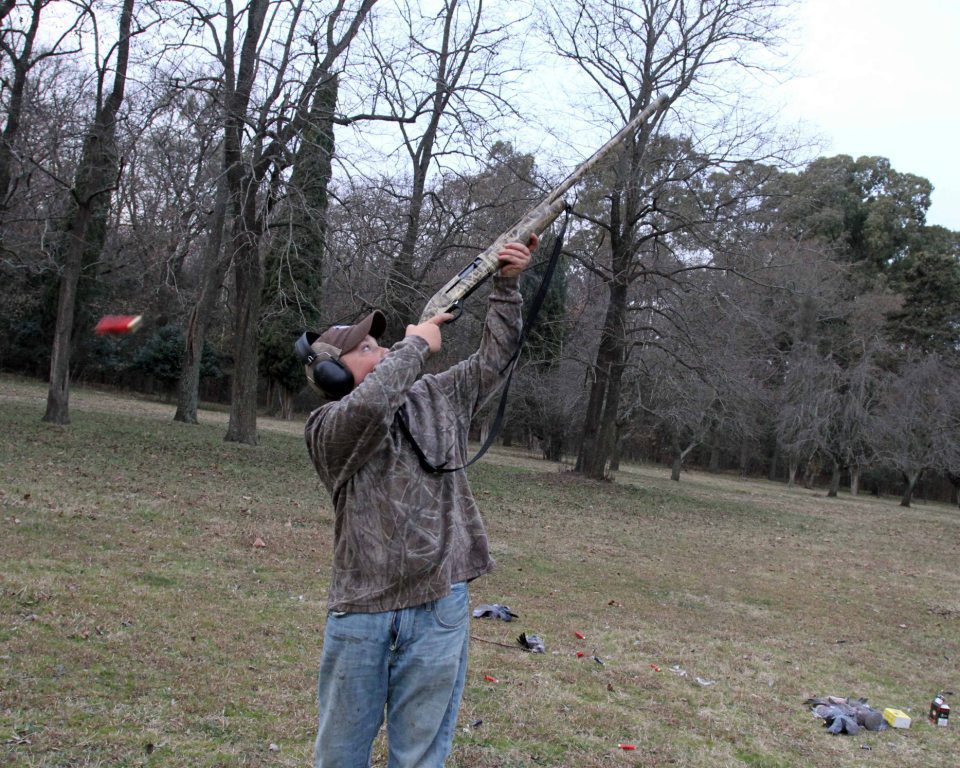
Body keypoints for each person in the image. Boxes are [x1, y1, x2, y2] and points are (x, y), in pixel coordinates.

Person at [302, 237, 536, 768]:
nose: (382, 352)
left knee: (421, 755)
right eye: (366, 350)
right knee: (340, 754)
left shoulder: (433, 395)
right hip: (362, 612)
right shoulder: (328, 427)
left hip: (440, 606)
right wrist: (414, 346)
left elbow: (494, 361)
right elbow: (369, 408)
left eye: (383, 347)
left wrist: (506, 285)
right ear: (333, 375)